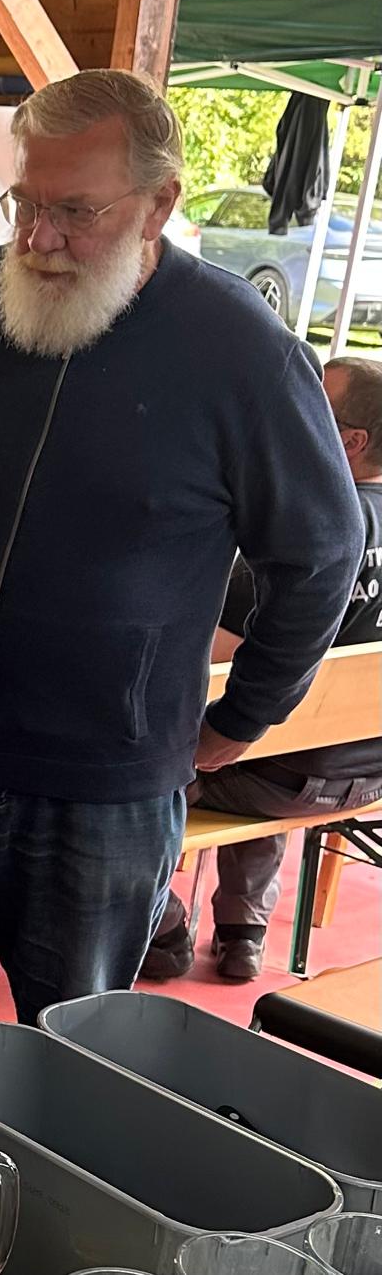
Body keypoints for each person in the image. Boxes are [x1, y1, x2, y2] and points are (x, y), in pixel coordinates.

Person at [0, 68, 364, 1240]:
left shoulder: (237, 351)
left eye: (76, 212)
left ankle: (51, 1247)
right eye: (25, 204)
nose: (39, 239)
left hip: (102, 785)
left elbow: (321, 552)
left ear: (158, 205)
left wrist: (240, 722)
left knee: (73, 1051)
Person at [144, 355, 382, 981]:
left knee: (143, 765)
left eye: (313, 406)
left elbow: (216, 652)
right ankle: (244, 931)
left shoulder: (304, 534)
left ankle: (159, 926)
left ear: (351, 441)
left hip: (285, 773)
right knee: (263, 737)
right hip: (370, 772)